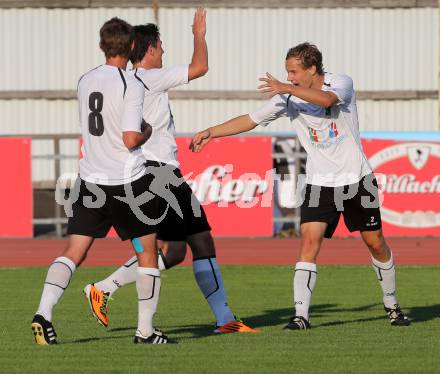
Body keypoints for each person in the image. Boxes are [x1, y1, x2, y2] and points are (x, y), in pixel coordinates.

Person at [190, 42, 410, 330]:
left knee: (375, 243)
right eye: (287, 72)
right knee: (308, 243)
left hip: (358, 179)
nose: (290, 77)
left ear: (312, 69)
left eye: (294, 72)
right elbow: (250, 120)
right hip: (320, 183)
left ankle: (392, 306)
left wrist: (287, 88)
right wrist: (211, 132)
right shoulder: (287, 96)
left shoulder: (340, 82)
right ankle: (300, 315)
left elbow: (328, 100)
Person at [83, 8, 256, 334]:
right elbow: (200, 67)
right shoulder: (149, 77)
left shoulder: (129, 81)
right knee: (201, 240)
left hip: (147, 173)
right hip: (160, 173)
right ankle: (225, 319)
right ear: (148, 50)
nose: (163, 52)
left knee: (173, 250)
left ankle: (103, 288)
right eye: (160, 46)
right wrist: (199, 35)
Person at [31, 17, 176, 345]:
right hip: (127, 185)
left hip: (90, 181)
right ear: (133, 47)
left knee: (74, 251)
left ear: (101, 46)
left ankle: (43, 313)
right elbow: (129, 139)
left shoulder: (85, 80)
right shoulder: (131, 84)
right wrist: (149, 130)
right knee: (148, 253)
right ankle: (145, 331)